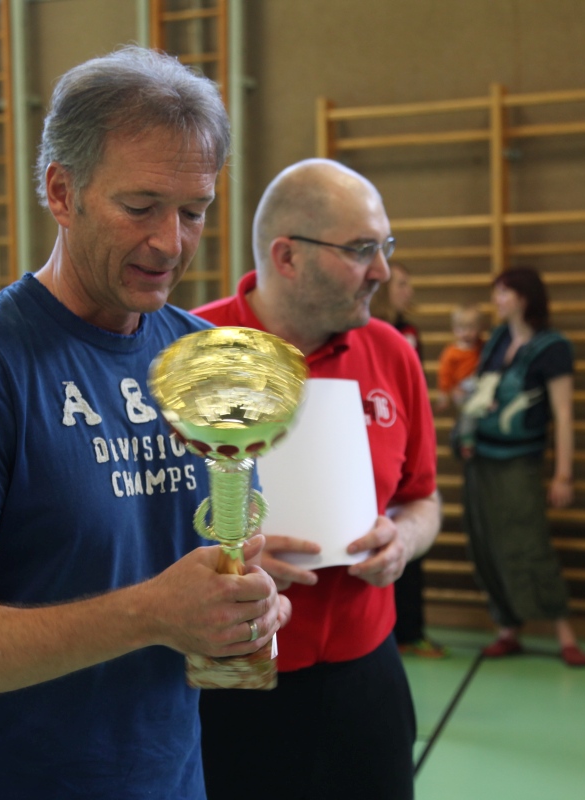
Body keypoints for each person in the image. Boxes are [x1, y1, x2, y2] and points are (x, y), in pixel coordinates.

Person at [0, 46, 289, 800]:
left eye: (193, 211)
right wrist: (150, 614)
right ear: (61, 192)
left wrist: (250, 607)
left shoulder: (206, 361)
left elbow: (215, 573)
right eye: (140, 207)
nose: (170, 242)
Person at [193, 159, 442, 800]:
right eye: (361, 250)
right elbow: (132, 523)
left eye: (385, 247)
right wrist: (227, 557)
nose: (381, 270)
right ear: (287, 256)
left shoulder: (392, 353)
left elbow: (422, 497)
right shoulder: (192, 348)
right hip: (233, 670)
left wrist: (403, 539)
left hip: (367, 669)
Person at [458, 266, 585, 667]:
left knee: (530, 544)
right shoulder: (498, 338)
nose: (496, 300)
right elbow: (482, 390)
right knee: (485, 544)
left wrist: (563, 475)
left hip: (519, 462)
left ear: (525, 297)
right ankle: (507, 628)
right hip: (481, 459)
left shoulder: (553, 347)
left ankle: (564, 633)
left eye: (503, 292)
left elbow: (563, 415)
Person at [370, 259, 447, 659]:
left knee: (405, 541)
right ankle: (394, 631)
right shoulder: (361, 332)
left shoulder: (407, 335)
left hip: (400, 448)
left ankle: (410, 630)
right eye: (401, 283)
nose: (408, 291)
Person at [437, 303, 486, 412]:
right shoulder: (451, 352)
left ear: (479, 328)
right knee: (468, 411)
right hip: (461, 389)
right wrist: (443, 394)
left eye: (471, 328)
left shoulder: (482, 347)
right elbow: (445, 374)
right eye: (461, 329)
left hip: (479, 385)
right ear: (454, 329)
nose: (466, 333)